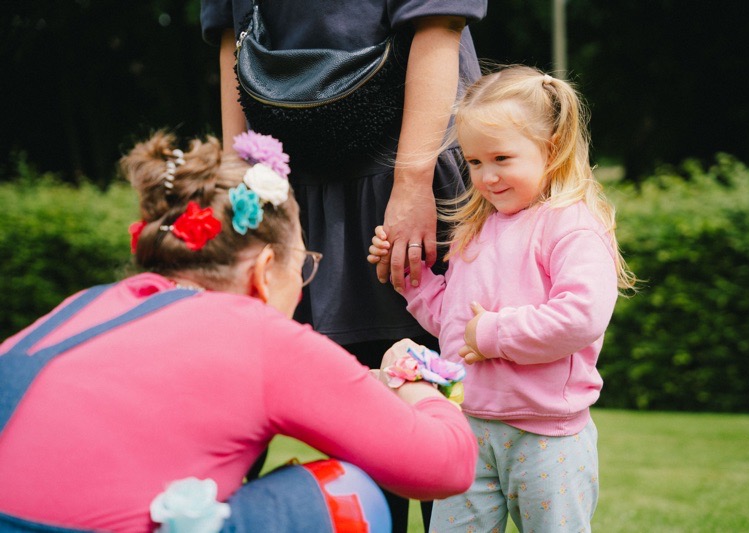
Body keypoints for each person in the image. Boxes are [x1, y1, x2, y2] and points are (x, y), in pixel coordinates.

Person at [0, 131, 478, 532]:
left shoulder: (88, 303)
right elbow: (449, 465)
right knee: (352, 489)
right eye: (303, 268)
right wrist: (411, 380)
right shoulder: (262, 336)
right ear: (265, 269)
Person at [200, 1, 487, 529]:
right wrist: (242, 185)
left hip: (400, 170)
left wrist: (412, 183)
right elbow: (231, 42)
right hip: (290, 188)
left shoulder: (409, 181)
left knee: (425, 390)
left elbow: (440, 21)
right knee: (332, 409)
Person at [368, 66, 638, 532]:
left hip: (547, 436)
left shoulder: (572, 225)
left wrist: (493, 333)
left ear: (550, 150)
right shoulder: (479, 228)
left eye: (501, 158)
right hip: (470, 426)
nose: (487, 176)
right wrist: (410, 279)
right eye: (474, 163)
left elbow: (581, 317)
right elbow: (456, 323)